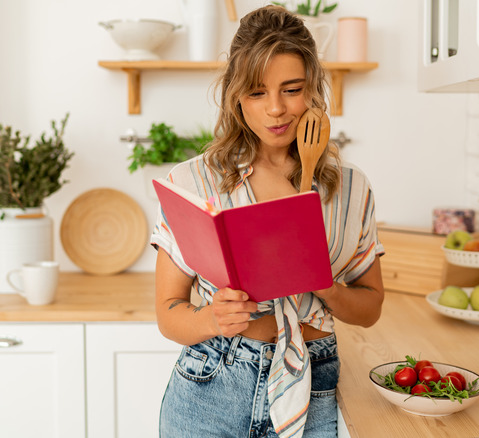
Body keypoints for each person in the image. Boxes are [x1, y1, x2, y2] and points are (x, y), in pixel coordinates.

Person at [151, 5, 385, 438]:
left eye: (291, 89)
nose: (276, 109)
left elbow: (370, 307)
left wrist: (325, 284)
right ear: (235, 96)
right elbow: (168, 313)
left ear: (313, 89)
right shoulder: (192, 181)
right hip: (211, 385)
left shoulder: (352, 188)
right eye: (257, 92)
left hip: (315, 386)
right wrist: (211, 320)